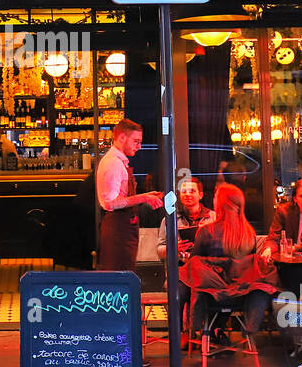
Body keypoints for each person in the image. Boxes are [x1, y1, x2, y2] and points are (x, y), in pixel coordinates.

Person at [184, 183, 278, 342]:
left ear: (220, 203)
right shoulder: (249, 233)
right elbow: (250, 268)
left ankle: (192, 332)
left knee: (185, 278)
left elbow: (195, 262)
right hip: (241, 297)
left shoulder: (207, 231)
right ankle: (218, 329)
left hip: (212, 296)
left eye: (215, 197)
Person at [95, 120, 163, 272]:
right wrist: (144, 198)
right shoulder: (113, 163)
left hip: (123, 227)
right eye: (136, 141)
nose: (139, 147)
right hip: (117, 229)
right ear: (121, 138)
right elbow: (110, 204)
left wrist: (147, 195)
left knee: (125, 274)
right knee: (119, 277)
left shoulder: (118, 161)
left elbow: (121, 197)